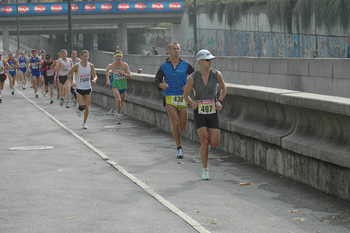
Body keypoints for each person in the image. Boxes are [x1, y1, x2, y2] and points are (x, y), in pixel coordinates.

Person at [184, 49, 227, 180]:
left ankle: (204, 153)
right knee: (204, 140)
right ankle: (205, 169)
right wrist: (192, 103)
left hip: (212, 110)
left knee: (214, 142)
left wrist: (219, 101)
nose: (210, 62)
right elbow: (185, 94)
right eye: (208, 60)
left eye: (211, 60)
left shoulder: (216, 74)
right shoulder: (193, 77)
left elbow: (224, 88)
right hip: (200, 111)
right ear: (200, 62)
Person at [155, 42, 194, 159]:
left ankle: (177, 136)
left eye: (178, 49)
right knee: (175, 122)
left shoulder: (186, 65)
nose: (177, 51)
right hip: (169, 97)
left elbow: (195, 77)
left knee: (182, 125)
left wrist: (188, 85)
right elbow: (157, 80)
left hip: (182, 97)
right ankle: (179, 148)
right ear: (168, 51)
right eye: (174, 49)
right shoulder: (164, 66)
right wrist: (161, 85)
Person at [69, 50, 98, 129]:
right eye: (84, 56)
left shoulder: (91, 65)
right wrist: (72, 81)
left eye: (87, 56)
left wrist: (94, 79)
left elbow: (95, 75)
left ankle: (84, 123)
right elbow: (70, 73)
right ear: (81, 56)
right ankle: (79, 108)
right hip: (79, 88)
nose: (86, 58)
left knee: (87, 107)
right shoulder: (77, 66)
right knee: (83, 105)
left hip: (88, 88)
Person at [105, 50, 131, 124]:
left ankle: (117, 112)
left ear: (122, 57)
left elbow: (130, 75)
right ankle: (118, 115)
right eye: (117, 57)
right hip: (115, 85)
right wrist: (107, 80)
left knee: (121, 102)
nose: (118, 58)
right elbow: (106, 71)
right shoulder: (111, 65)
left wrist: (124, 74)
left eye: (120, 56)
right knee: (118, 100)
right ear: (114, 57)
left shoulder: (125, 65)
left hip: (123, 85)